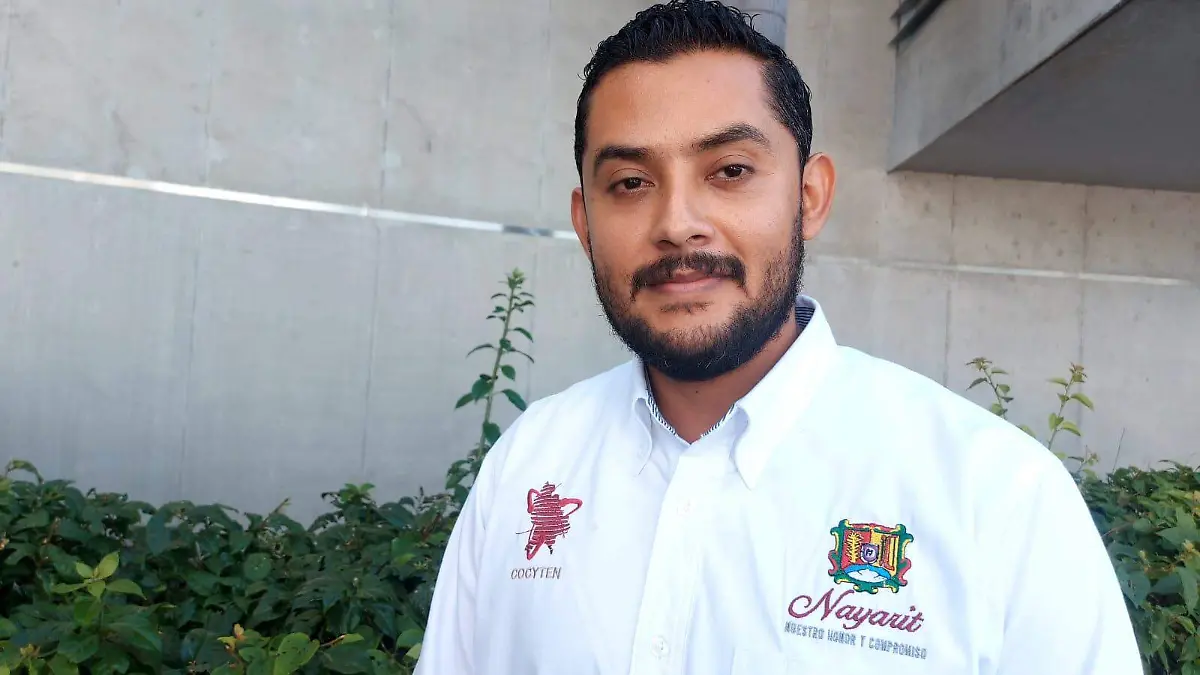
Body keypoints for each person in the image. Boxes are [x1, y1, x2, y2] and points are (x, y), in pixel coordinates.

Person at [414, 1, 1143, 673]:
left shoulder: (997, 496)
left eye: (730, 170)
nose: (677, 223)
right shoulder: (527, 465)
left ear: (810, 197)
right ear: (584, 222)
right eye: (631, 182)